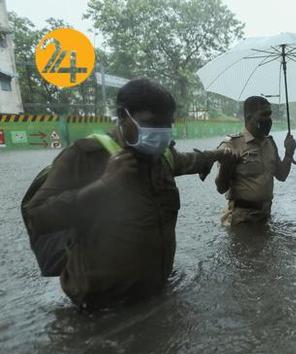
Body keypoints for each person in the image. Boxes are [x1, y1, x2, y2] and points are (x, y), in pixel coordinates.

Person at [23, 79, 231, 309]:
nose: (160, 132)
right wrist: (103, 186)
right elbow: (37, 217)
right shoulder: (85, 156)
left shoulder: (162, 158)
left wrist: (220, 154)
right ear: (123, 116)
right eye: (151, 122)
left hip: (156, 299)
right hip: (101, 312)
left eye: (166, 124)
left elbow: (191, 160)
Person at [215, 96, 296, 225]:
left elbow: (281, 175)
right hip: (241, 218)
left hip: (265, 215)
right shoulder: (233, 145)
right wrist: (226, 165)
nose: (268, 120)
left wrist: (288, 153)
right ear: (248, 118)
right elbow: (221, 188)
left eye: (269, 115)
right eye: (263, 115)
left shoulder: (270, 143)